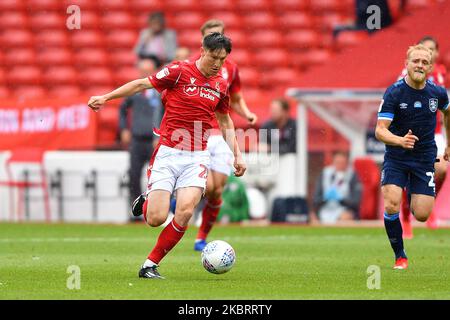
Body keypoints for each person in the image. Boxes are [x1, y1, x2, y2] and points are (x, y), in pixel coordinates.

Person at [88, 33, 246, 279]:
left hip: (197, 157)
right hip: (168, 153)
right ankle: (147, 199)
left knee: (184, 211)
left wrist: (237, 155)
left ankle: (150, 264)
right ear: (203, 51)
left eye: (223, 59)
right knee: (155, 218)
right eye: (214, 57)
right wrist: (105, 98)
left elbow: (225, 120)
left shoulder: (220, 85)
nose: (217, 63)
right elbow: (141, 84)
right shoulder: (178, 72)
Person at [375, 44, 450, 270]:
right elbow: (380, 130)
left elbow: (448, 112)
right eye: (415, 61)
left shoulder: (437, 93)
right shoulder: (394, 92)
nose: (420, 65)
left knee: (422, 214)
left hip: (423, 158)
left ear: (430, 68)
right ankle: (400, 256)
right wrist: (399, 141)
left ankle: (410, 194)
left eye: (424, 62)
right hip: (397, 156)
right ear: (406, 64)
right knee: (391, 205)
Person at [186, 19, 258, 251]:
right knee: (205, 186)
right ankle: (176, 197)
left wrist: (246, 113)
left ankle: (200, 237)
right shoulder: (190, 66)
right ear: (202, 41)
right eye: (210, 36)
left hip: (222, 134)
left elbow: (235, 99)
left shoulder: (231, 68)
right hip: (198, 132)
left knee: (217, 190)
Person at [398, 36, 448, 237]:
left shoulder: (441, 73)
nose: (430, 53)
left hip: (434, 132)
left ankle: (429, 202)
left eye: (433, 49)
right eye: (426, 49)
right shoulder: (407, 73)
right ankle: (405, 216)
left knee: (442, 169)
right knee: (406, 174)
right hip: (412, 133)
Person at [119, 57, 164, 221]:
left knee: (158, 177)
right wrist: (124, 128)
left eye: (148, 71)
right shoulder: (135, 91)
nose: (145, 74)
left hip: (155, 141)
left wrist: (158, 134)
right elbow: (122, 109)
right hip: (137, 140)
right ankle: (135, 211)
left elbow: (165, 113)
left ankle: (154, 210)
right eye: (143, 71)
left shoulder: (160, 92)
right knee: (134, 174)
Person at [312, 151, 362, 224]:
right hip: (324, 209)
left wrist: (341, 200)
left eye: (342, 163)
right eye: (337, 162)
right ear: (333, 163)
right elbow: (315, 200)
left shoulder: (352, 176)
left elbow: (356, 202)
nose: (340, 165)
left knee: (346, 217)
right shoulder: (325, 174)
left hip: (344, 210)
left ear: (347, 164)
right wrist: (324, 199)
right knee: (312, 217)